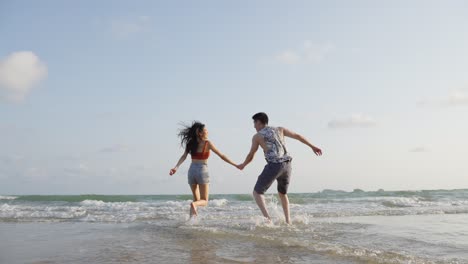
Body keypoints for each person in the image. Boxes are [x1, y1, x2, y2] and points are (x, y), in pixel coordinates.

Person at [237, 112, 322, 224]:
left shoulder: (257, 136)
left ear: (259, 122)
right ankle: (288, 221)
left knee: (257, 192)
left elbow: (251, 154)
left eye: (254, 123)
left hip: (274, 165)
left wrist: (243, 164)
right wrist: (312, 146)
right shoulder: (280, 129)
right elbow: (297, 136)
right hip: (287, 165)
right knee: (282, 194)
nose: (254, 126)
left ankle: (268, 220)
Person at [170, 121, 238, 217]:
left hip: (191, 171)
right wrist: (235, 164)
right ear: (200, 133)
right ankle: (194, 205)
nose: (207, 132)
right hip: (202, 170)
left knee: (196, 199)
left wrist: (176, 167)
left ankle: (191, 221)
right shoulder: (207, 143)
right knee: (204, 201)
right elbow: (221, 155)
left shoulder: (190, 143)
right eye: (206, 130)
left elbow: (184, 156)